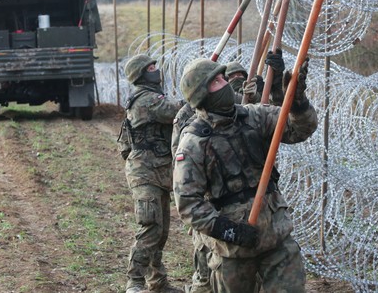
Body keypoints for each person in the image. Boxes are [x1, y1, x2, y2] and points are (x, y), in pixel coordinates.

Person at [173, 57, 317, 292]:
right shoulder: (193, 143)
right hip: (232, 252)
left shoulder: (254, 116)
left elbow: (299, 129)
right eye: (217, 81)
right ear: (202, 95)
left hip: (276, 238)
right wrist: (230, 231)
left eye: (223, 78)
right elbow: (189, 205)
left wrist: (298, 102)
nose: (226, 83)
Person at [118, 54, 184, 293]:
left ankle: (157, 282)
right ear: (142, 74)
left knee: (161, 231)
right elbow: (176, 111)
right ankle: (134, 281)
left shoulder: (149, 97)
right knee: (150, 227)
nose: (157, 70)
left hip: (159, 170)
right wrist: (198, 93)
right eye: (151, 68)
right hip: (145, 172)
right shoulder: (147, 99)